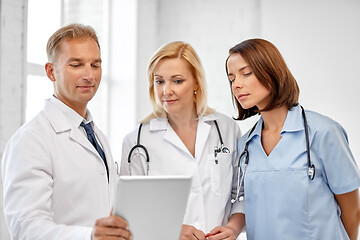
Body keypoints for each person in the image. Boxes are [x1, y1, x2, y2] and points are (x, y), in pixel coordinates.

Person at [207, 38, 360, 240]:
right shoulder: (246, 145)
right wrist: (232, 229)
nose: (236, 85)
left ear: (271, 72)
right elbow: (250, 206)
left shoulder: (324, 133)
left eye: (246, 74)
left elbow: (353, 210)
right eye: (232, 78)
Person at [1, 24, 132, 240]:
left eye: (95, 64)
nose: (89, 75)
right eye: (76, 65)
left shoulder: (97, 137)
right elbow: (26, 229)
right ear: (51, 72)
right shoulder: (30, 141)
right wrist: (89, 236)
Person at [120, 41, 242, 240]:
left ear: (196, 82)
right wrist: (171, 230)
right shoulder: (137, 141)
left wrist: (233, 229)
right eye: (159, 81)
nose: (166, 91)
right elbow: (131, 213)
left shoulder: (226, 129)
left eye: (177, 81)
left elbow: (241, 193)